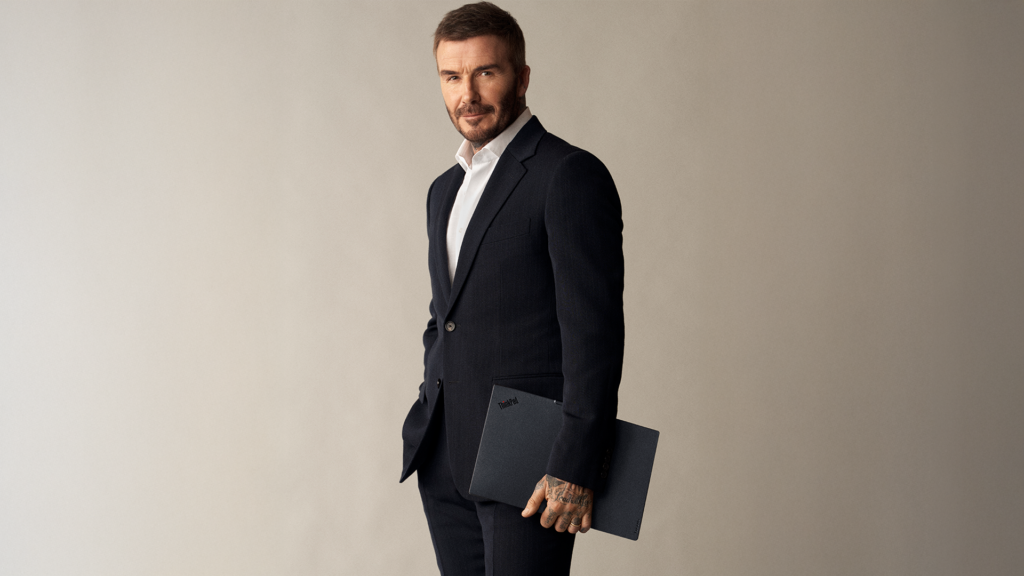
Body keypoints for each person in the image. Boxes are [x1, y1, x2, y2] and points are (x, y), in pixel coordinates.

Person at [399, 3, 624, 574]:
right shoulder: (443, 191)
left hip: (531, 458)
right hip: (444, 452)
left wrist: (574, 464)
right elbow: (445, 314)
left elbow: (594, 335)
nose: (468, 94)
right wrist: (429, 400)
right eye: (452, 76)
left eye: (486, 72)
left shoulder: (567, 175)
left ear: (521, 78)